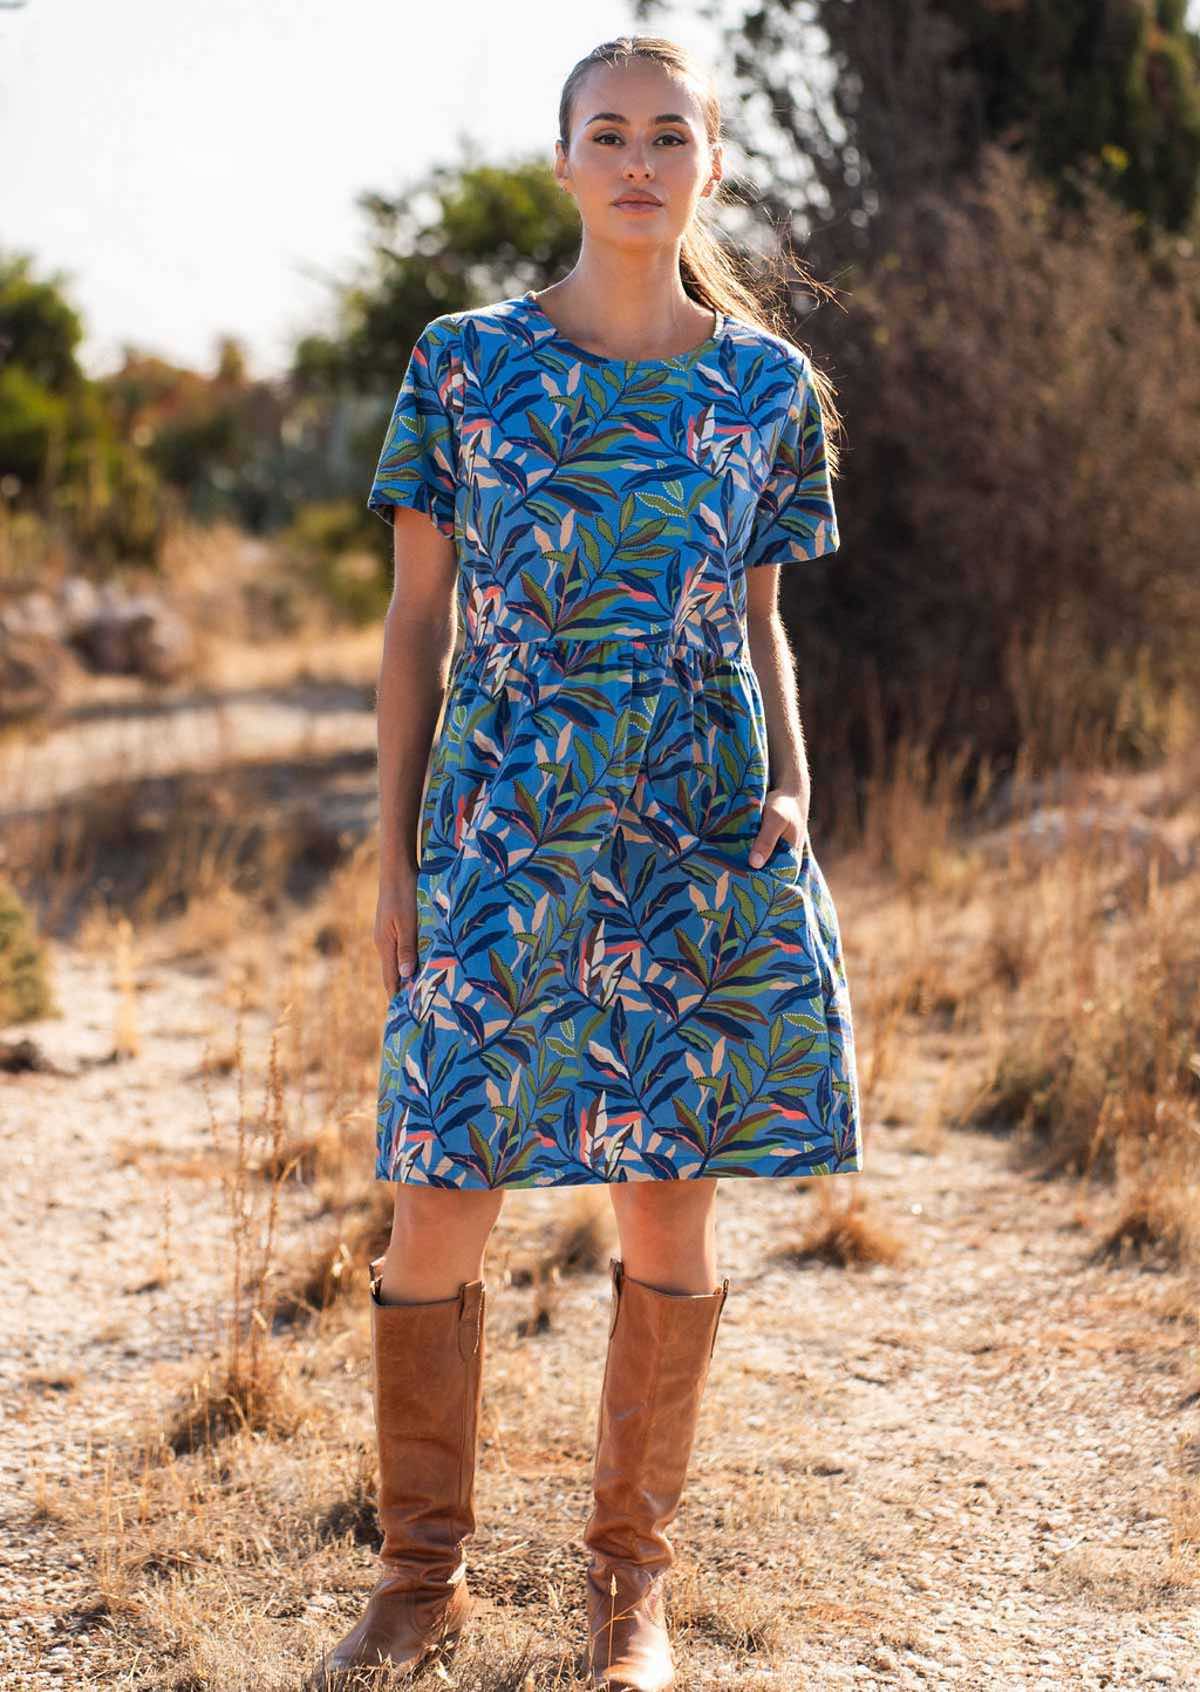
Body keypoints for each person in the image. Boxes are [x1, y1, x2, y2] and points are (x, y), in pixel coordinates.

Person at [305, 31, 863, 1692]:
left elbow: (762, 631)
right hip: (497, 821)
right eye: (606, 135)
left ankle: (632, 1593)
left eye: (668, 135)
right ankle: (421, 1583)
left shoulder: (763, 387)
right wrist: (396, 856)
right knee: (437, 1203)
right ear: (563, 165)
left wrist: (799, 782)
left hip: (694, 824)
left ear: (711, 165)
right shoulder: (465, 364)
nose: (637, 161)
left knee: (670, 1208)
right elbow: (417, 624)